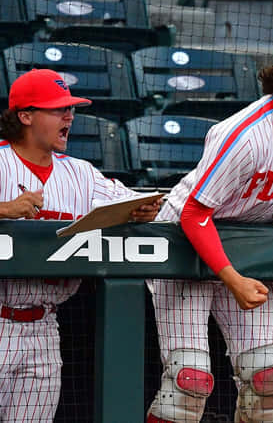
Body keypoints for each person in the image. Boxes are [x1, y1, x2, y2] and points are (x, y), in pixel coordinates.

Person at [146, 28, 273, 423]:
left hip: (246, 249)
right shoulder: (244, 135)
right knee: (188, 384)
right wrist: (232, 280)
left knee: (270, 382)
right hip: (185, 246)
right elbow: (195, 214)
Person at [0, 69, 159, 422]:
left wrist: (144, 208)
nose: (69, 116)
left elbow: (141, 201)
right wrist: (5, 210)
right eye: (57, 109)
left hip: (43, 327)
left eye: (70, 109)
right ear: (25, 116)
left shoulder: (81, 174)